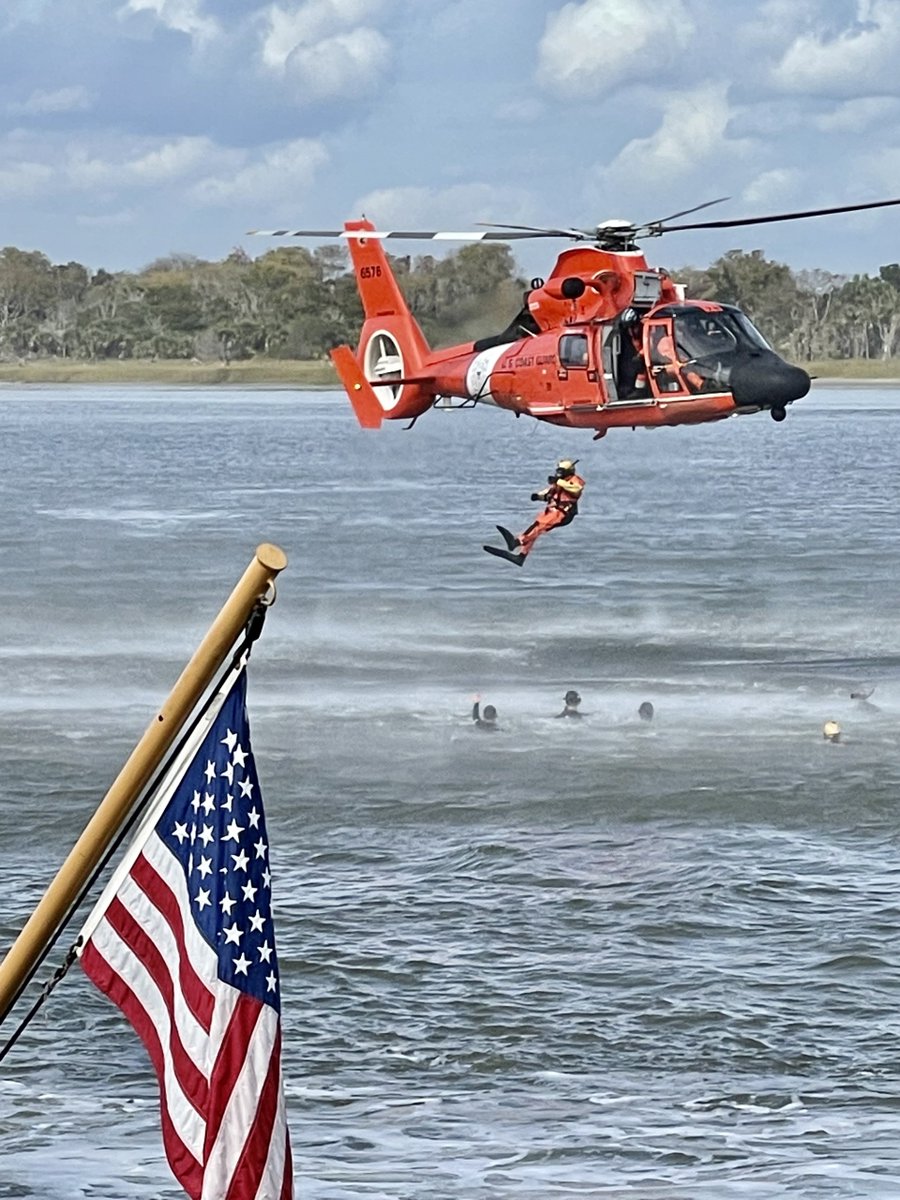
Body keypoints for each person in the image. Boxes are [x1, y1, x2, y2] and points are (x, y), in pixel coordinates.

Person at [483, 459, 585, 566]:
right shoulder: (559, 484)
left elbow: (576, 489)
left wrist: (558, 481)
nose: (558, 474)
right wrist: (538, 496)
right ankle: (521, 556)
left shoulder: (574, 481)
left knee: (537, 527)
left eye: (561, 471)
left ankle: (517, 542)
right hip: (552, 511)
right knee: (535, 529)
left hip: (562, 513)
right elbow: (550, 493)